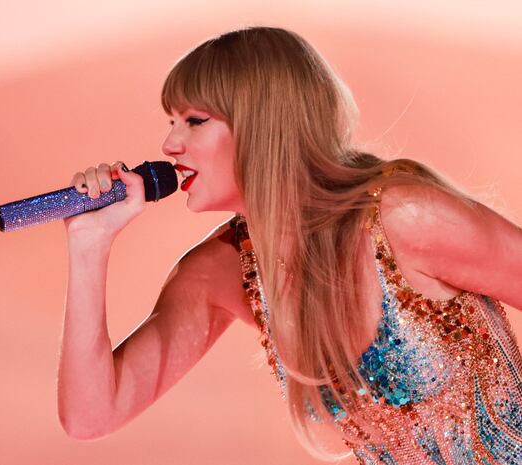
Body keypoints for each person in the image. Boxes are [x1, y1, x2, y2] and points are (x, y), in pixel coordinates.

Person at [57, 26, 522, 464]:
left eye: (194, 120)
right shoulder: (222, 269)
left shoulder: (404, 218)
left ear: (263, 124)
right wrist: (88, 245)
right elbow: (91, 416)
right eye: (171, 122)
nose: (169, 144)